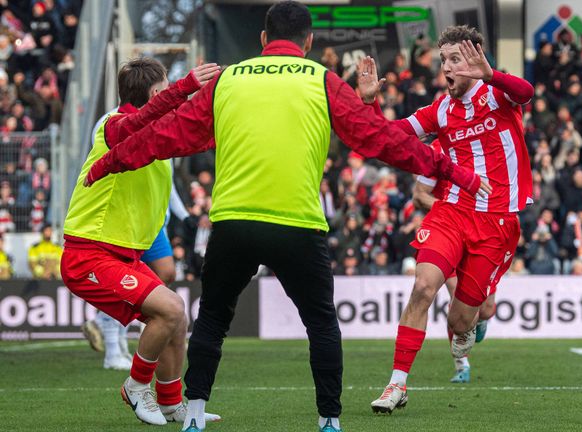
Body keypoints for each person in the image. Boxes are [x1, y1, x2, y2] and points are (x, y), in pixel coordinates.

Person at [82, 3, 487, 431]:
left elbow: (165, 135)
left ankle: (194, 415)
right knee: (322, 327)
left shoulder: (228, 80)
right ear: (309, 42)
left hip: (234, 222)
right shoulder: (322, 80)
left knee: (214, 321)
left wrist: (107, 164)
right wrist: (455, 172)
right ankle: (329, 420)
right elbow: (381, 141)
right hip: (297, 225)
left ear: (262, 39)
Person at [355, 25, 533, 413]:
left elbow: (527, 92)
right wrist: (370, 104)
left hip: (498, 221)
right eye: (444, 61)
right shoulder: (439, 110)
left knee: (464, 317)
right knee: (423, 287)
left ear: (475, 60)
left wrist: (490, 74)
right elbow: (386, 139)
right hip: (451, 211)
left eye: (456, 59)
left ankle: (471, 324)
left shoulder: (498, 94)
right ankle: (396, 385)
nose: (447, 69)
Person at [61, 58, 222, 426]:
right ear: (155, 93)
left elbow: (196, 135)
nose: (173, 92)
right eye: (167, 87)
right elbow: (137, 124)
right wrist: (186, 87)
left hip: (124, 253)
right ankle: (136, 385)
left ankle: (170, 402)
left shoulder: (156, 130)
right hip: (90, 253)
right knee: (170, 310)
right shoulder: (111, 124)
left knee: (176, 318)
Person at [411, 143, 497, 384]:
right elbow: (419, 195)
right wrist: (448, 209)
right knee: (454, 295)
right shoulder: (436, 150)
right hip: (448, 233)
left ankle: (479, 318)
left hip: (482, 233)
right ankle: (462, 364)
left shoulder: (485, 142)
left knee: (486, 307)